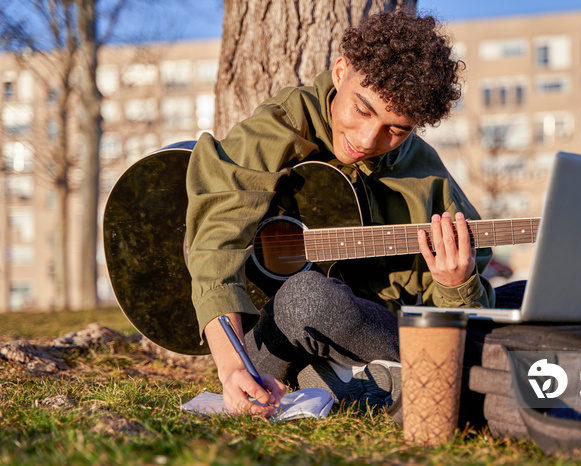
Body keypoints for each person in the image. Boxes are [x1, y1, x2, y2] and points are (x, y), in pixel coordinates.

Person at [185, 10, 495, 419]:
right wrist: (231, 367)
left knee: (519, 299)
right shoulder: (280, 126)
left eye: (396, 129)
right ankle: (393, 386)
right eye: (362, 109)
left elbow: (452, 321)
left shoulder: (428, 179)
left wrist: (456, 283)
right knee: (305, 297)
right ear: (340, 71)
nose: (368, 140)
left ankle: (359, 383)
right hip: (264, 335)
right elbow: (216, 240)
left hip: (371, 331)